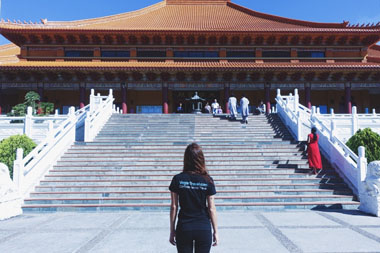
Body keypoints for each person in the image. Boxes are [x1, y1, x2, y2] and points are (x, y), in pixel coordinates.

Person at [169, 143, 219, 253]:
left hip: (184, 227)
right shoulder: (208, 180)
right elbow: (211, 209)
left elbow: (174, 207)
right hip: (203, 228)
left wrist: (172, 230)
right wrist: (216, 231)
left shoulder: (177, 179)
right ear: (201, 159)